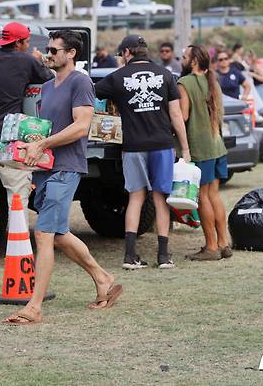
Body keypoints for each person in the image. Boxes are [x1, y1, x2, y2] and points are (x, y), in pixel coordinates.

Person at [3, 30, 121, 325]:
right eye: (49, 49)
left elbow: (82, 126)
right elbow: (46, 130)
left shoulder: (80, 81)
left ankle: (34, 307)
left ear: (71, 54)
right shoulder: (46, 86)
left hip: (67, 167)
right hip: (47, 169)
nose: (49, 54)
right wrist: (31, 160)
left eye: (55, 50)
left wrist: (42, 145)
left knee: (43, 234)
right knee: (57, 233)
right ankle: (103, 278)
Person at [95, 35, 190, 270]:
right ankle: (164, 256)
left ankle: (130, 256)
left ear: (127, 52)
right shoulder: (166, 75)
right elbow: (176, 115)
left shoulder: (117, 77)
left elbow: (93, 94)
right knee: (161, 199)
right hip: (162, 144)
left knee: (135, 198)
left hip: (133, 146)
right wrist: (185, 148)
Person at [0, 21, 54, 265]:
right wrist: (40, 59)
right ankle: (15, 248)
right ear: (18, 42)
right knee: (17, 196)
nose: (28, 45)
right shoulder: (27, 61)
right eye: (26, 41)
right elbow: (49, 79)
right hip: (10, 138)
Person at [178, 45, 231, 260]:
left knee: (202, 197)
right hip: (217, 145)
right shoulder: (213, 81)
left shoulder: (184, 83)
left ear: (193, 62)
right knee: (213, 195)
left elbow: (183, 116)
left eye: (183, 57)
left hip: (200, 147)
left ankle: (210, 247)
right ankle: (223, 243)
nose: (180, 59)